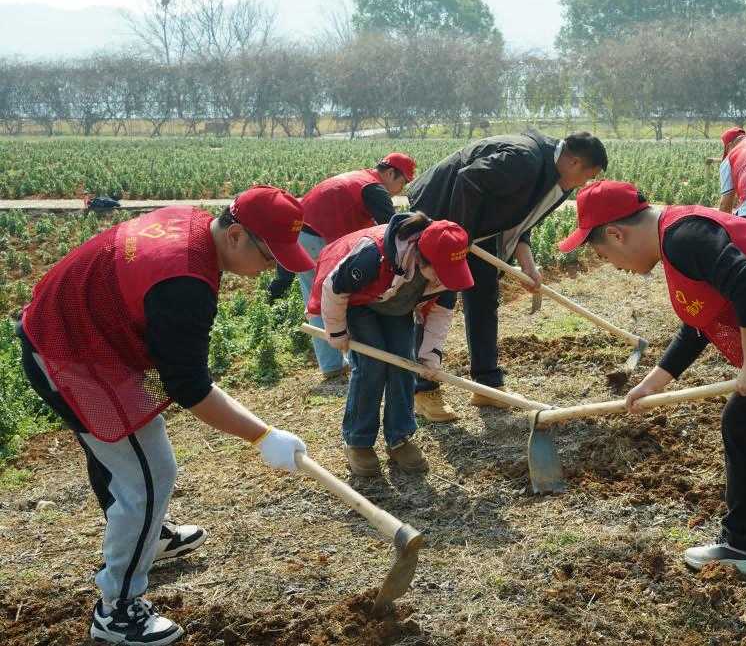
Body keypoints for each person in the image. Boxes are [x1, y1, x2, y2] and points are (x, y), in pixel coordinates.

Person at [558, 180, 746, 646]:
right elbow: (699, 321)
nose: (613, 265)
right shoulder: (675, 240)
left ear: (617, 234)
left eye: (603, 254)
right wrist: (655, 381)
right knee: (741, 426)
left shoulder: (684, 237)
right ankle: (742, 544)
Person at [16, 186, 313, 646]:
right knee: (150, 472)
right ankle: (117, 610)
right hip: (69, 352)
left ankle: (149, 537)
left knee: (126, 458)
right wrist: (263, 435)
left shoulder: (191, 221)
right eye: (270, 257)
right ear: (236, 235)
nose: (270, 269)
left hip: (82, 333)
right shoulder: (185, 284)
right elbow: (189, 387)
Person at [406, 130, 607, 408]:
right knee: (438, 299)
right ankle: (422, 388)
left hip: (480, 224)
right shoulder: (524, 159)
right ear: (574, 162)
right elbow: (467, 180)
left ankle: (487, 385)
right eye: (589, 175)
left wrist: (528, 266)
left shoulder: (559, 181)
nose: (586, 183)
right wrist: (460, 241)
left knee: (485, 297)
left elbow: (521, 219)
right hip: (441, 212)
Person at [308, 213, 474, 475]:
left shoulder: (447, 271)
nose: (444, 279)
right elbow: (334, 287)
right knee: (372, 366)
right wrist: (337, 332)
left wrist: (430, 357)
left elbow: (440, 314)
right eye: (440, 272)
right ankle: (358, 442)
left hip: (396, 305)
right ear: (421, 257)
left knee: (405, 363)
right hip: (360, 302)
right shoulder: (371, 255)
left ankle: (399, 438)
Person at [297, 153, 416, 382]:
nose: (401, 189)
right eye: (403, 182)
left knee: (316, 300)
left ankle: (331, 365)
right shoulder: (374, 189)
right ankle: (357, 360)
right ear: (391, 173)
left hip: (300, 237)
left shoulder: (360, 179)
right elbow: (390, 231)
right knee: (345, 293)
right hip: (321, 240)